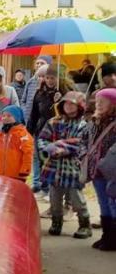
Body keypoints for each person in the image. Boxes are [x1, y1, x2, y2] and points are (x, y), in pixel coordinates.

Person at [39, 91, 91, 239]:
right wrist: (52, 148)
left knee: (76, 198)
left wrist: (64, 148)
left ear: (79, 106)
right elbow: (42, 139)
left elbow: (82, 143)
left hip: (72, 168)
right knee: (55, 198)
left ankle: (84, 224)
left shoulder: (83, 125)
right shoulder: (53, 122)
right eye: (66, 103)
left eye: (72, 103)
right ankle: (56, 222)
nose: (68, 106)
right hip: (54, 167)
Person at [27, 66, 71, 196]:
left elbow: (71, 113)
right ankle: (44, 187)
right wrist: (29, 130)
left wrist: (61, 100)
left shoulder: (66, 92)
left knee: (54, 162)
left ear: (59, 78)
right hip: (41, 130)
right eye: (47, 78)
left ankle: (55, 191)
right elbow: (34, 114)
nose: (50, 81)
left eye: (53, 78)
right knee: (42, 160)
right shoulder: (40, 93)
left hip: (58, 132)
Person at [85, 88, 116, 250]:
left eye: (102, 102)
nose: (98, 105)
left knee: (113, 202)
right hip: (97, 169)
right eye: (97, 102)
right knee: (103, 202)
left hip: (112, 171)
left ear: (113, 105)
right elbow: (85, 140)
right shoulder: (94, 121)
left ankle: (113, 238)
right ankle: (107, 235)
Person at [0, 105, 32, 181]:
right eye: (3, 116)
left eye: (9, 116)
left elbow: (28, 153)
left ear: (17, 117)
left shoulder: (23, 135)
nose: (5, 118)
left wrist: (25, 170)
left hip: (16, 175)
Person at [23, 55, 52, 124]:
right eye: (37, 63)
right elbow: (23, 100)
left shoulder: (51, 83)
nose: (39, 65)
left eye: (42, 63)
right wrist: (25, 111)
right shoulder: (30, 82)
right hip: (29, 118)